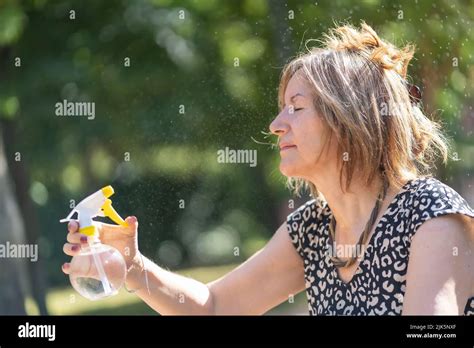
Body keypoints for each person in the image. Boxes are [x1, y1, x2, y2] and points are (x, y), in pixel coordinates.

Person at [62, 22, 474, 315]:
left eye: (296, 108)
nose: (277, 125)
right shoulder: (313, 228)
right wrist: (133, 267)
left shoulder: (430, 217)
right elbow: (216, 307)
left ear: (348, 120)